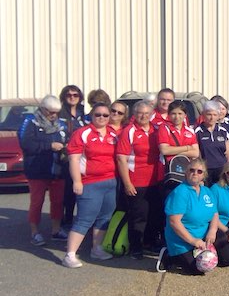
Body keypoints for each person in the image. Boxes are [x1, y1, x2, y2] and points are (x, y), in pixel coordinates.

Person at [62, 103, 118, 268]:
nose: (101, 118)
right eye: (98, 115)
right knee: (85, 218)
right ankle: (70, 254)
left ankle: (97, 248)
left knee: (105, 216)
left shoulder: (113, 134)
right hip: (90, 182)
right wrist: (77, 181)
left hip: (111, 181)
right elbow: (74, 159)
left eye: (105, 115)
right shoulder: (82, 133)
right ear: (92, 116)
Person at [157, 158, 229, 274]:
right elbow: (174, 222)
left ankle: (205, 253)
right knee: (199, 270)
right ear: (186, 172)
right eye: (192, 170)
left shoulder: (206, 191)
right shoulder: (180, 192)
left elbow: (214, 213)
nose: (195, 173)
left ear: (204, 175)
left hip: (204, 235)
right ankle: (169, 256)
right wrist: (194, 241)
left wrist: (212, 231)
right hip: (183, 240)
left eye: (199, 171)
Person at [20, 95, 69, 246]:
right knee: (37, 201)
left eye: (56, 112)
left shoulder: (61, 124)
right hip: (37, 170)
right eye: (50, 112)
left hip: (57, 169)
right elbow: (26, 144)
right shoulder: (30, 122)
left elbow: (67, 140)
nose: (54, 115)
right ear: (42, 109)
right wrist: (49, 145)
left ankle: (56, 230)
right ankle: (35, 232)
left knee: (58, 201)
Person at [115, 101, 162, 259]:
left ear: (151, 114)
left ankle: (149, 243)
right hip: (137, 182)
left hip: (155, 181)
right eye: (140, 113)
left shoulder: (156, 130)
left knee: (154, 215)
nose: (143, 116)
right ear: (134, 114)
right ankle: (136, 247)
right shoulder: (129, 131)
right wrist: (127, 183)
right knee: (138, 217)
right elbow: (121, 159)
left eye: (147, 113)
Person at [58, 85, 86, 232]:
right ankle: (66, 221)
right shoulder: (59, 113)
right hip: (64, 158)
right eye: (69, 95)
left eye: (75, 95)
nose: (72, 97)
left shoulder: (83, 113)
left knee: (81, 192)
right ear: (64, 97)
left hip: (81, 157)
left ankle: (79, 222)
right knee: (68, 192)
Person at [194, 101, 229, 186]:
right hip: (205, 170)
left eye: (215, 115)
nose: (212, 118)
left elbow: (228, 153)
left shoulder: (223, 131)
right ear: (203, 115)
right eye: (209, 114)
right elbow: (197, 154)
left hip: (221, 170)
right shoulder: (197, 132)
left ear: (218, 116)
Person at [158, 100, 200, 166]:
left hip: (186, 167)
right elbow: (164, 150)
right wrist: (187, 148)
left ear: (185, 115)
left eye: (180, 113)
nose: (177, 117)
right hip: (168, 167)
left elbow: (195, 153)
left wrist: (173, 152)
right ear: (169, 115)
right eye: (173, 114)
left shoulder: (190, 131)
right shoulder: (164, 128)